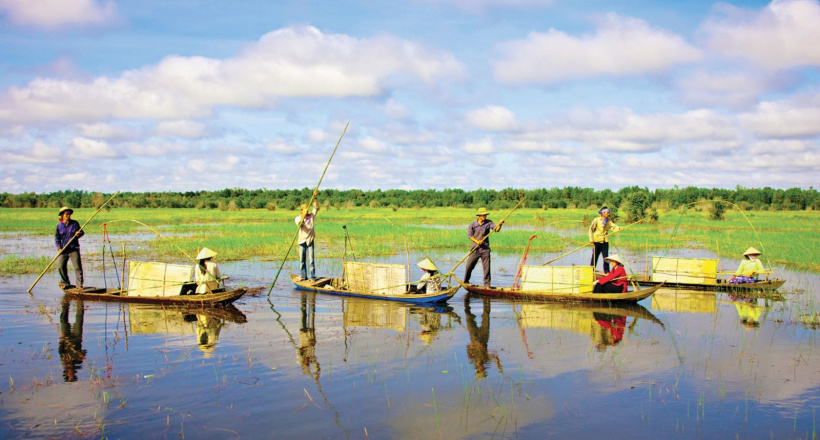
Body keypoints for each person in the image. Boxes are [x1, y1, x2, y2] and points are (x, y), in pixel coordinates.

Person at [464, 208, 504, 288]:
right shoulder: (473, 224)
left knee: (487, 268)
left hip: (485, 249)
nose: (485, 216)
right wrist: (477, 241)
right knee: (469, 266)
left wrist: (500, 224)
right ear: (479, 216)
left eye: (485, 215)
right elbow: (469, 236)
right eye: (483, 215)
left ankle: (487, 285)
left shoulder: (489, 222)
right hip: (475, 249)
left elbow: (496, 230)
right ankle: (466, 281)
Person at [55, 206, 85, 291]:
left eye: (69, 214)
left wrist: (78, 233)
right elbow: (57, 238)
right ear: (62, 215)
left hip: (73, 248)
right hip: (64, 249)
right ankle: (65, 282)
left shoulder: (75, 223)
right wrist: (59, 248)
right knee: (60, 266)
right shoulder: (59, 226)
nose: (68, 216)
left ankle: (79, 285)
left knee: (77, 267)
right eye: (66, 214)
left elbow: (82, 232)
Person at [295, 190, 320, 281]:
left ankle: (312, 277)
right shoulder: (298, 218)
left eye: (307, 210)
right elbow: (299, 223)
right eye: (304, 210)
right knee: (302, 260)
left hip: (310, 240)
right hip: (302, 241)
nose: (307, 212)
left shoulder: (311, 216)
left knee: (311, 260)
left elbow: (316, 207)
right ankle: (303, 276)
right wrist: (303, 216)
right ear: (301, 211)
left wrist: (315, 197)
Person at [589, 206, 622, 272]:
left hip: (605, 241)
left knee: (606, 257)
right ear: (603, 213)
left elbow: (613, 227)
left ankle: (607, 271)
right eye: (607, 212)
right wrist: (591, 239)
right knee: (595, 256)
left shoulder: (608, 221)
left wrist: (619, 228)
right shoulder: (597, 220)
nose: (608, 214)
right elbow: (591, 229)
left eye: (608, 213)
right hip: (597, 241)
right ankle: (591, 270)